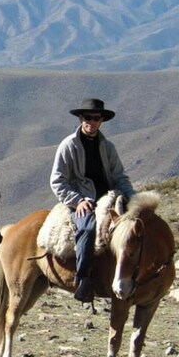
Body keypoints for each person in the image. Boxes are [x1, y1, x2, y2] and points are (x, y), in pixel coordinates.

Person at [50, 98, 135, 303]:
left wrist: (133, 198)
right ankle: (82, 280)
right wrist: (77, 200)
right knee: (87, 228)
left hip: (108, 198)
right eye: (88, 117)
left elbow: (119, 177)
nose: (92, 122)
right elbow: (57, 180)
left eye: (96, 118)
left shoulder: (107, 147)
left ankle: (128, 276)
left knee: (132, 229)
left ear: (101, 120)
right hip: (82, 200)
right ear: (81, 119)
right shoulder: (68, 146)